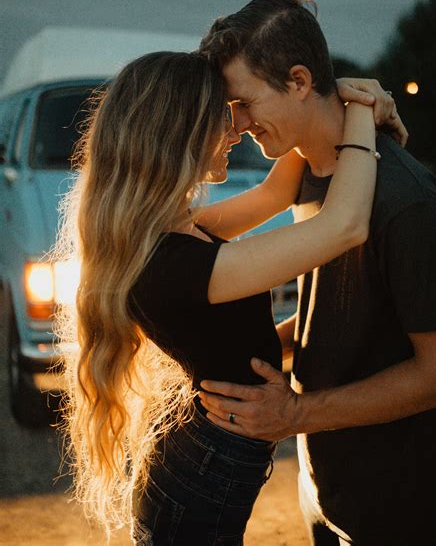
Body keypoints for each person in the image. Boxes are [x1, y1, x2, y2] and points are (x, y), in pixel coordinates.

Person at [55, 50, 400, 545]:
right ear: (180, 133)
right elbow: (344, 226)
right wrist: (364, 113)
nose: (238, 127)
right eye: (223, 114)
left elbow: (274, 194)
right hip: (202, 470)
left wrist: (326, 97)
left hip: (199, 457)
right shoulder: (172, 265)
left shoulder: (159, 231)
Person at [198, 0, 436, 546]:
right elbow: (339, 313)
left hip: (396, 502)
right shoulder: (304, 168)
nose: (240, 123)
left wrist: (293, 414)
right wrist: (256, 352)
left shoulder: (405, 201)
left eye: (245, 102)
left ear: (299, 81)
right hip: (325, 484)